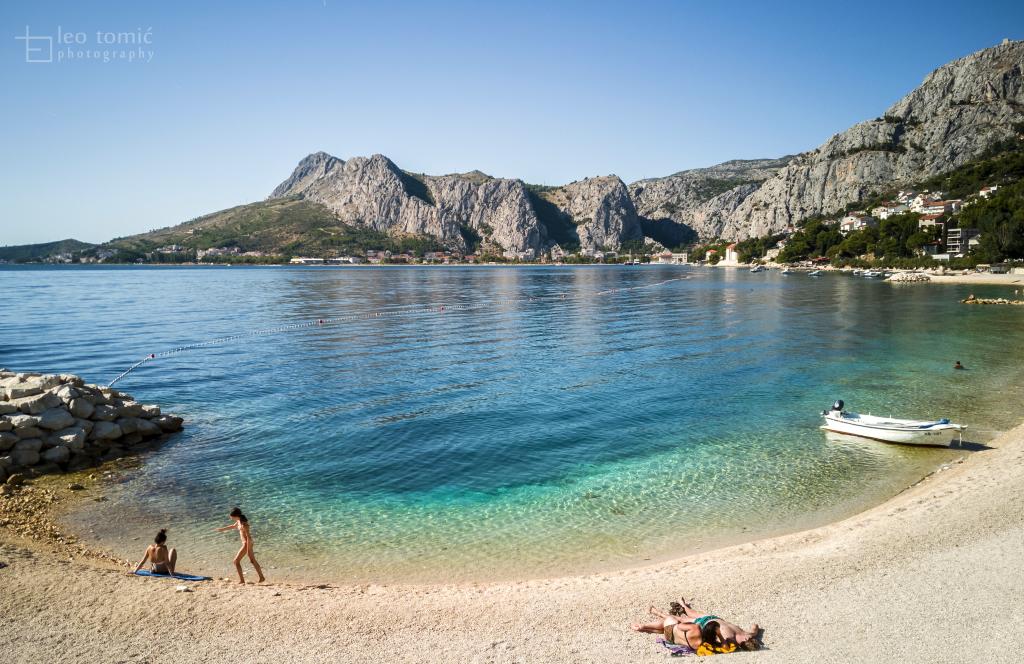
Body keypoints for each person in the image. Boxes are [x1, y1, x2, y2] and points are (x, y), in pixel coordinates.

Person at [632, 597, 760, 653]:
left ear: (746, 640)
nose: (750, 637)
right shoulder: (748, 633)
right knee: (690, 612)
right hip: (713, 618)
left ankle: (658, 613)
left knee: (680, 619)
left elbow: (716, 641)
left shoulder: (730, 640)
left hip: (705, 623)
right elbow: (755, 627)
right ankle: (682, 605)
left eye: (750, 639)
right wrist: (755, 630)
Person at [215, 507, 266, 584]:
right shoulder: (239, 521)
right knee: (252, 560)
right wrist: (222, 529)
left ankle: (242, 580)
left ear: (236, 516)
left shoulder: (244, 524)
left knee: (236, 561)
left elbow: (248, 537)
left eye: (231, 516)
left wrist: (248, 549)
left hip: (247, 543)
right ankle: (261, 577)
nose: (230, 517)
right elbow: (233, 526)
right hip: (246, 543)